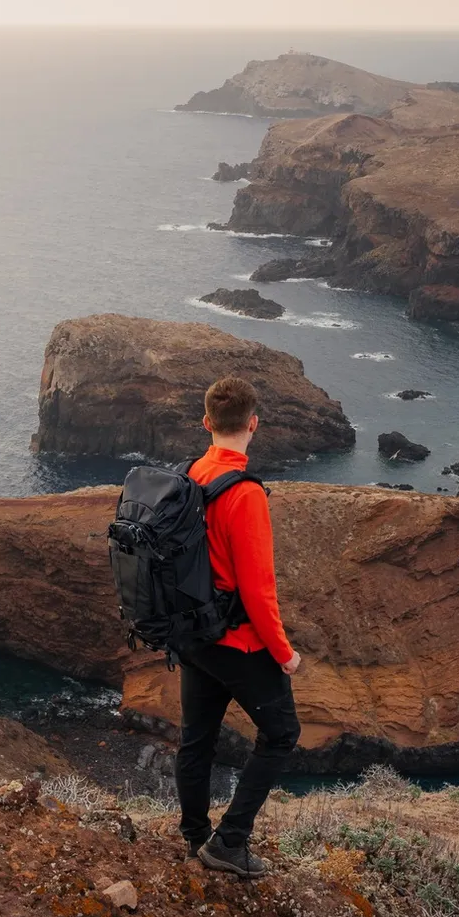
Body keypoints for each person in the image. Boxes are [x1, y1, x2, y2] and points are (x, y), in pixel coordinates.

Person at [177, 375, 302, 880]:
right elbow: (258, 589)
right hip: (236, 643)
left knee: (196, 740)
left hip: (193, 636)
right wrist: (284, 652)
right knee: (282, 733)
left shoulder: (192, 473)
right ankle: (228, 842)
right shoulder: (245, 493)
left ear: (206, 423)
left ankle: (193, 839)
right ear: (253, 424)